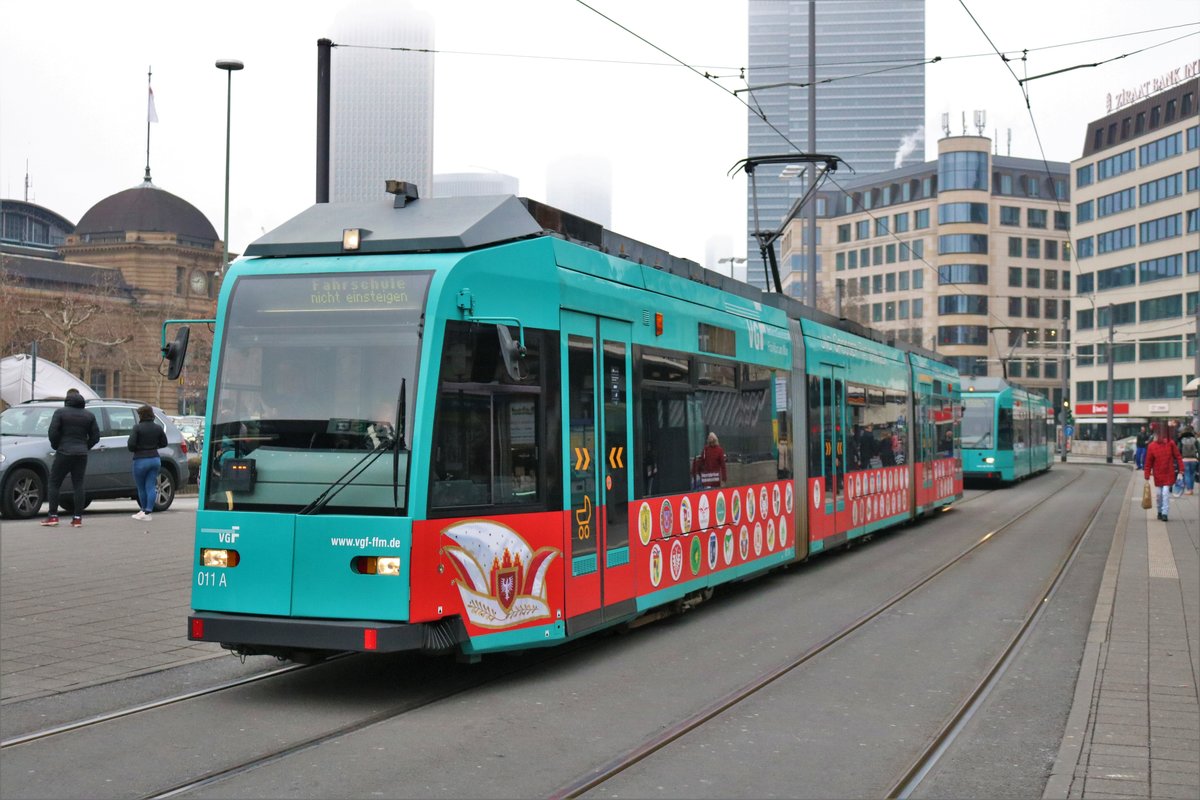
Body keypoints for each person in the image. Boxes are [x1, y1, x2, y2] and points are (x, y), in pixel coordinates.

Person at [42, 389, 100, 528]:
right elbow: (96, 437)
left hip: (64, 452)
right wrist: (85, 447)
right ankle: (77, 518)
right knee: (78, 484)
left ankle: (53, 516)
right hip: (81, 454)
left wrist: (57, 445)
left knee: (54, 483)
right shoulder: (89, 415)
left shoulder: (60, 413)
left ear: (67, 401)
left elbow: (53, 432)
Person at [127, 404, 167, 521]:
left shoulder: (137, 428)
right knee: (150, 485)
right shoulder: (158, 428)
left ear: (141, 415)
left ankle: (143, 510)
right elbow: (164, 443)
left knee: (141, 487)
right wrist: (154, 446)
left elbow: (131, 445)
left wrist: (139, 448)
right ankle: (148, 511)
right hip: (155, 459)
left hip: (140, 460)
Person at [1144, 424, 1183, 522]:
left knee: (1165, 493)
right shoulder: (1151, 446)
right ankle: (1159, 511)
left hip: (1168, 473)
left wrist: (1181, 470)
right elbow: (1148, 462)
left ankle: (1165, 513)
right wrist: (1147, 474)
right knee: (1158, 495)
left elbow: (1178, 456)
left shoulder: (1171, 443)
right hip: (1158, 474)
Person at [1178, 426, 1198, 496]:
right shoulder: (1194, 440)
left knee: (1187, 474)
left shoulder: (1181, 440)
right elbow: (1198, 449)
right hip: (1194, 460)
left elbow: (1179, 450)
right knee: (1192, 474)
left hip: (1185, 459)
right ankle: (1191, 489)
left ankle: (1189, 490)